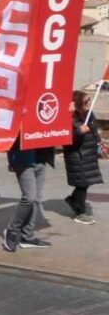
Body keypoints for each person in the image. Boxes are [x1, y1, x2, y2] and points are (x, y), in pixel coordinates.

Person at [3, 139, 55, 252]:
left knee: (36, 199)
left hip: (42, 159)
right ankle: (12, 229)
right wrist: (11, 160)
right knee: (29, 198)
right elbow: (11, 136)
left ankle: (27, 237)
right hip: (24, 160)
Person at [63, 90, 102, 224]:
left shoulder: (89, 114)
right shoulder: (69, 116)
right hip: (77, 154)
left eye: (89, 100)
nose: (88, 103)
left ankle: (74, 200)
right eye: (85, 102)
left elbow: (95, 131)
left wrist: (98, 143)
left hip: (89, 153)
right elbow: (66, 138)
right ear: (78, 103)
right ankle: (79, 212)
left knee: (85, 182)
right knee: (82, 182)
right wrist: (79, 131)